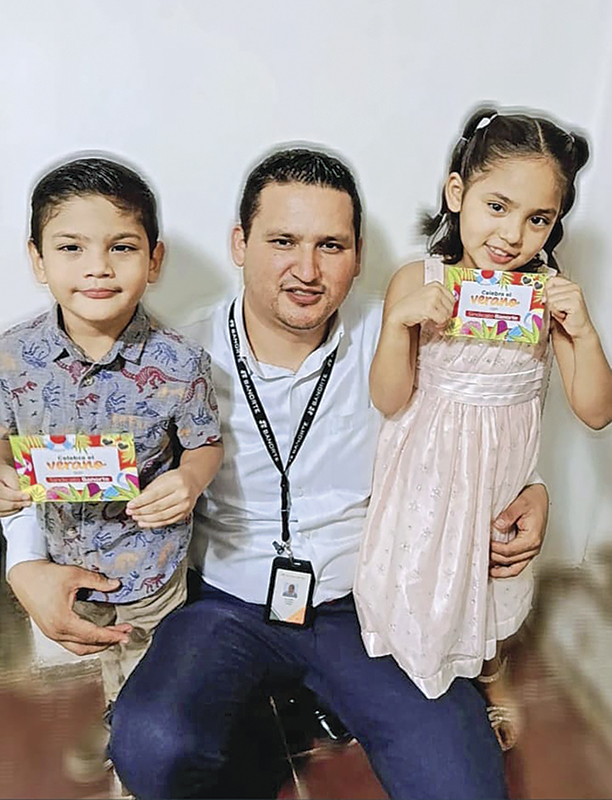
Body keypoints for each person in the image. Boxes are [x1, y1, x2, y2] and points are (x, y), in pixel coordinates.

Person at [4, 148, 549, 799]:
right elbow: (58, 453)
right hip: (223, 603)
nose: (307, 270)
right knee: (153, 748)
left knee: (462, 786)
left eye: (331, 246)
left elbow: (487, 413)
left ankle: (304, 701)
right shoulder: (173, 357)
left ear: (358, 254)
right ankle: (266, 707)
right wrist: (24, 563)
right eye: (283, 241)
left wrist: (532, 488)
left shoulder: (409, 334)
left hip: (370, 601)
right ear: (240, 244)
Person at [354, 107, 612, 751]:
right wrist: (399, 324)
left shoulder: (547, 296)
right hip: (425, 475)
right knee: (421, 574)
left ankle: (492, 673)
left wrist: (583, 330)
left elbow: (596, 411)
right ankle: (414, 672)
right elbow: (389, 398)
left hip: (498, 478)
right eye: (497, 206)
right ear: (457, 193)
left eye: (539, 219)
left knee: (493, 579)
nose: (513, 234)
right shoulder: (418, 280)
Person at [0, 157, 223, 755]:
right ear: (37, 260)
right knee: (101, 653)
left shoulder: (181, 363)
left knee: (154, 670)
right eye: (71, 247)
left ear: (154, 260)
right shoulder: (12, 357)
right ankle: (118, 715)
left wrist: (190, 478)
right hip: (65, 562)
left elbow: (205, 443)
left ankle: (140, 745)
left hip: (152, 564)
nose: (97, 267)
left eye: (121, 247)